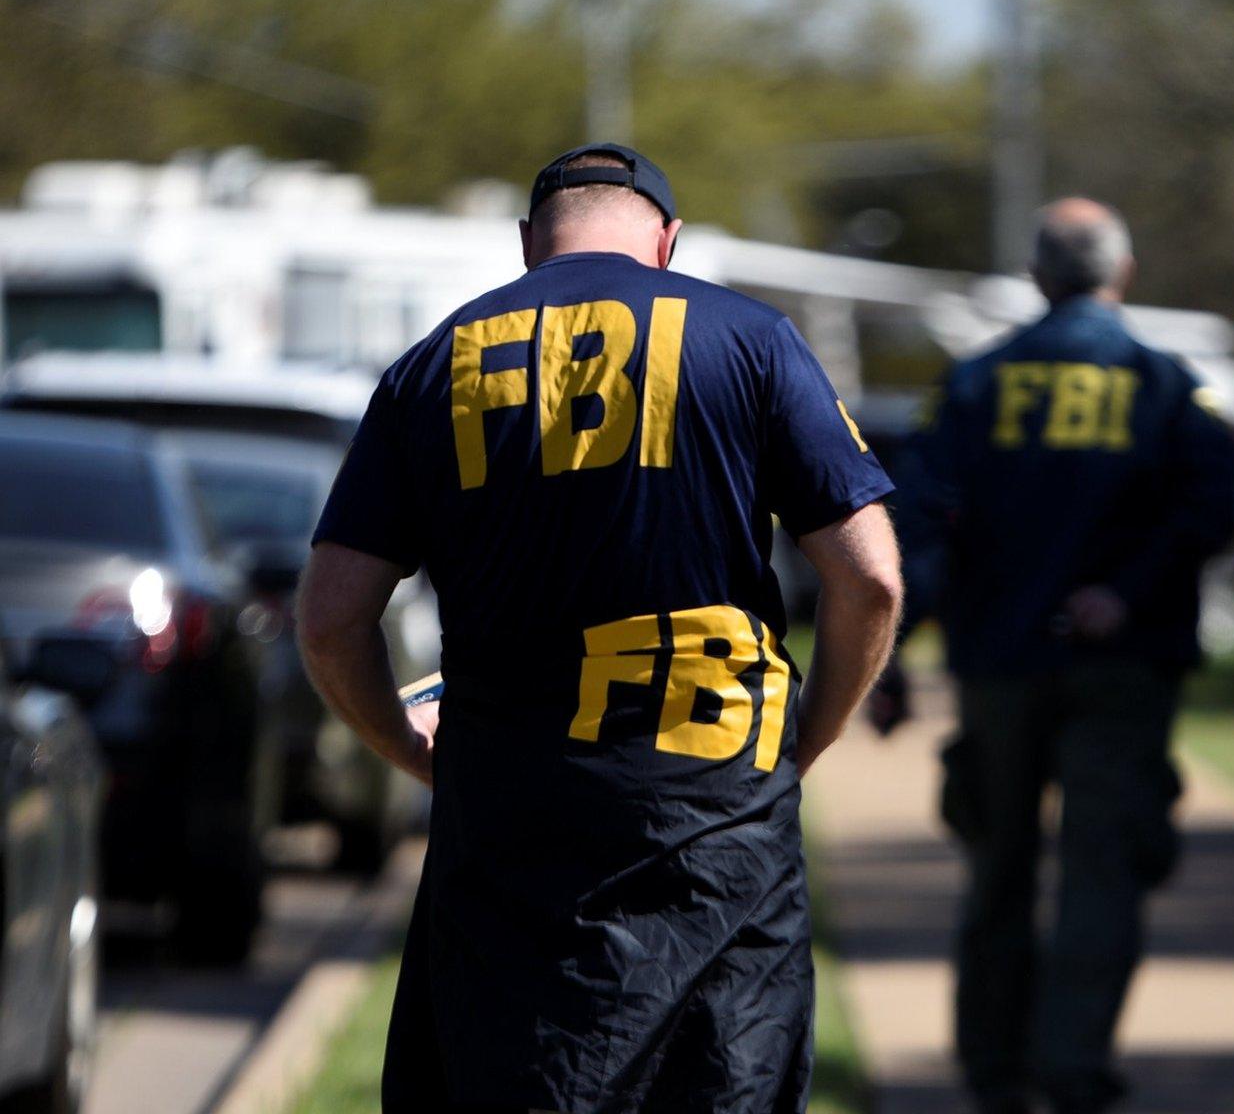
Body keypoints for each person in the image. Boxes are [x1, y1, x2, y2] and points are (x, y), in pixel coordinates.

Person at [295, 143, 902, 1114]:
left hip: (510, 824)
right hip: (713, 808)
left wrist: (409, 750)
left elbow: (330, 620)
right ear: (666, 240)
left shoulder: (433, 363)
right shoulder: (746, 338)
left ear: (529, 242)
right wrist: (803, 740)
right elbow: (867, 577)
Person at [891, 198, 1234, 1114]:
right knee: (1102, 870)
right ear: (1122, 274)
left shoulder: (973, 385)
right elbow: (1212, 510)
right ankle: (1072, 1066)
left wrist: (891, 655)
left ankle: (994, 1071)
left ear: (1041, 278)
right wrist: (1124, 592)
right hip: (1122, 663)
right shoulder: (1168, 385)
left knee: (996, 865)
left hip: (1000, 664)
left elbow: (918, 528)